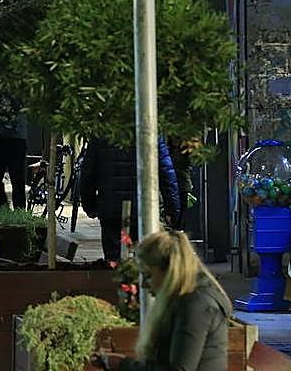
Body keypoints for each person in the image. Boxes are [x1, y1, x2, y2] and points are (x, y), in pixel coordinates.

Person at [96, 230, 233, 371]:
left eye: (148, 275)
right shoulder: (186, 300)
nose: (143, 285)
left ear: (170, 271)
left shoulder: (195, 306)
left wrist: (124, 365)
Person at [79, 137, 181, 265]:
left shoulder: (101, 135)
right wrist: (172, 210)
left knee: (113, 259)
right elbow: (167, 175)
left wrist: (90, 206)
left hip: (110, 207)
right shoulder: (150, 132)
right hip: (143, 209)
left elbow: (88, 175)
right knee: (143, 258)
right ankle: (139, 282)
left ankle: (116, 278)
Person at [0, 88, 27, 209]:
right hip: (0, 137)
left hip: (17, 138)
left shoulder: (20, 89)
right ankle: (2, 207)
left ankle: (19, 210)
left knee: (17, 178)